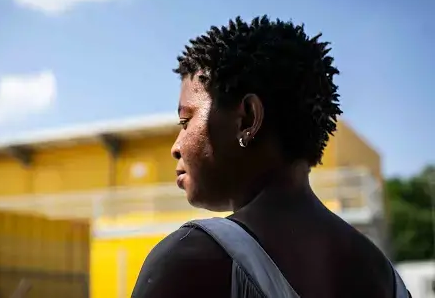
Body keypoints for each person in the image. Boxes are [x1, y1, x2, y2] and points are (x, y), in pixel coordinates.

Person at [131, 16, 410, 297]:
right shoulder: (385, 277)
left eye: (185, 121)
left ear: (248, 119)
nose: (176, 147)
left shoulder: (191, 260)